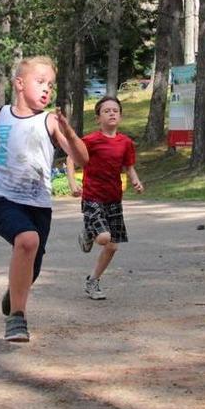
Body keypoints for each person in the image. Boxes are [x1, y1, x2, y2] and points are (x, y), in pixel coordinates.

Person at [0, 56, 88, 342]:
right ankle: (17, 318)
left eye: (51, 85)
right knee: (28, 241)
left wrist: (70, 132)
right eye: (40, 82)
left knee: (32, 261)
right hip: (0, 197)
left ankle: (14, 293)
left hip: (38, 204)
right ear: (20, 84)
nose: (47, 89)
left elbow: (83, 159)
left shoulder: (50, 121)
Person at [65, 96, 143, 301]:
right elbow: (70, 157)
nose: (111, 113)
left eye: (115, 110)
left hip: (114, 198)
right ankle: (90, 232)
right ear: (98, 118)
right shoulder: (90, 140)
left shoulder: (125, 142)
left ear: (120, 116)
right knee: (104, 238)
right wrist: (73, 183)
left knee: (112, 246)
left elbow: (129, 166)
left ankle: (93, 280)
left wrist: (135, 181)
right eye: (106, 110)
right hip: (93, 196)